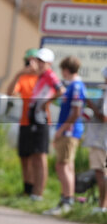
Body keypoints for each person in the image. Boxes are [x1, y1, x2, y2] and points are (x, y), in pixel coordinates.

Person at [43, 56, 86, 215]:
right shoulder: (73, 86)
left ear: (66, 70)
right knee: (66, 166)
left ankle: (67, 201)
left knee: (63, 166)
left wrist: (60, 131)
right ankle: (65, 199)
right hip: (68, 130)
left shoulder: (76, 86)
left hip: (69, 131)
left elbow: (76, 112)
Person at [28, 48, 65, 201]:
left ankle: (39, 193)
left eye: (42, 61)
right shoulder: (42, 75)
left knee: (41, 156)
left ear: (49, 63)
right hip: (35, 118)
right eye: (38, 60)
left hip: (41, 119)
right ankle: (35, 192)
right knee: (36, 157)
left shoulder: (50, 74)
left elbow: (61, 90)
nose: (39, 64)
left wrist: (45, 104)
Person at [7, 48, 39, 196]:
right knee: (24, 158)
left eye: (33, 60)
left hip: (38, 122)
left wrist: (37, 71)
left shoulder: (41, 77)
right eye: (27, 60)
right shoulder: (23, 78)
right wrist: (19, 73)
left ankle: (35, 191)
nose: (30, 64)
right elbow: (10, 92)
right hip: (24, 121)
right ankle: (26, 190)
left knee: (34, 159)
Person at [83, 66, 107, 214]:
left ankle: (102, 206)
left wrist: (91, 105)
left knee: (101, 173)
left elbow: (104, 117)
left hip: (101, 140)